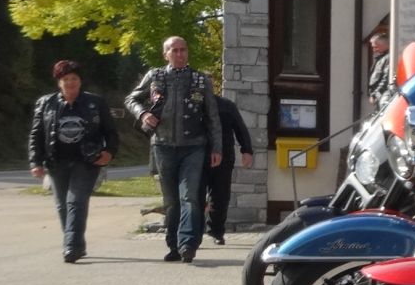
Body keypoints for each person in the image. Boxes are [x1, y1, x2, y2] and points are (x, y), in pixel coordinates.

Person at [127, 35, 221, 263]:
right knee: (171, 200)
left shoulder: (200, 80)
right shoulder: (155, 76)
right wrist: (143, 113)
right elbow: (131, 99)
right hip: (163, 146)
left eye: (183, 49)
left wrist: (216, 147)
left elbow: (212, 116)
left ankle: (187, 243)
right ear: (165, 54)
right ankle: (173, 246)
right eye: (174, 50)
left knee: (190, 196)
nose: (180, 54)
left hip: (194, 147)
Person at [28, 60, 119, 263]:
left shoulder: (95, 103)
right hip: (56, 161)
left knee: (76, 201)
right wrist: (36, 162)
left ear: (80, 81)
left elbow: (111, 132)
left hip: (86, 161)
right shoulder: (46, 103)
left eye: (74, 78)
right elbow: (36, 134)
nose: (70, 83)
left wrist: (109, 152)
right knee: (62, 205)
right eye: (66, 79)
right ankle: (76, 243)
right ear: (59, 82)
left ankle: (71, 247)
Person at [197, 93, 255, 244]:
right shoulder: (192, 105)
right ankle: (194, 234)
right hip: (197, 157)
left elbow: (240, 128)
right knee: (195, 196)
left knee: (221, 196)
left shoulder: (226, 105)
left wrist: (247, 150)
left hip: (224, 157)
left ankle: (216, 231)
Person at [366, 20, 394, 111]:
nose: (374, 50)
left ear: (384, 45)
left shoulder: (389, 58)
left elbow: (386, 78)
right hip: (379, 96)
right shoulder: (381, 58)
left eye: (376, 47)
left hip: (383, 96)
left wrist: (376, 94)